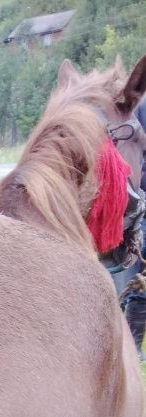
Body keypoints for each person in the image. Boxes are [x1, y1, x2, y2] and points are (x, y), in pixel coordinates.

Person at [113, 96, 146, 359]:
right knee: (133, 279)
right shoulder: (140, 107)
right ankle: (129, 346)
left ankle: (132, 346)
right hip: (138, 203)